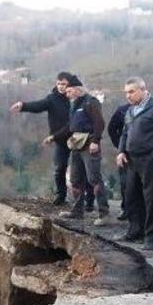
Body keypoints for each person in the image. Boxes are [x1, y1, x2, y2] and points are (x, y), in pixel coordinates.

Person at [10, 72, 87, 206]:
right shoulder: (52, 99)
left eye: (64, 84)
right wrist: (23, 106)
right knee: (59, 168)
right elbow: (39, 105)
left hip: (78, 139)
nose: (61, 87)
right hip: (60, 141)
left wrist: (53, 137)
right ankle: (61, 196)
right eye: (58, 84)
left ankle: (86, 200)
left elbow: (73, 123)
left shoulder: (76, 99)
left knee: (80, 171)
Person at [116, 77, 153, 251]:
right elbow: (125, 133)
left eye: (131, 91)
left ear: (143, 89)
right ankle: (135, 231)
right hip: (131, 159)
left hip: (149, 159)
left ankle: (152, 237)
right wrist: (121, 151)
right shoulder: (130, 110)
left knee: (152, 199)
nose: (128, 95)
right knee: (132, 197)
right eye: (126, 92)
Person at [58, 76, 109, 224]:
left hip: (89, 144)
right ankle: (77, 211)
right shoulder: (74, 104)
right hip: (76, 144)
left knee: (94, 178)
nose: (66, 94)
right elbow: (72, 125)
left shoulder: (90, 102)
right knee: (75, 179)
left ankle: (104, 213)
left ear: (77, 90)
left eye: (69, 91)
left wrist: (96, 141)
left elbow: (99, 123)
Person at [107, 103, 131, 220]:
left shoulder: (152, 108)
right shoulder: (122, 110)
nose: (129, 95)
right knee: (125, 182)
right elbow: (111, 128)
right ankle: (126, 209)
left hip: (144, 153)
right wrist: (120, 147)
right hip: (125, 153)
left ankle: (143, 211)